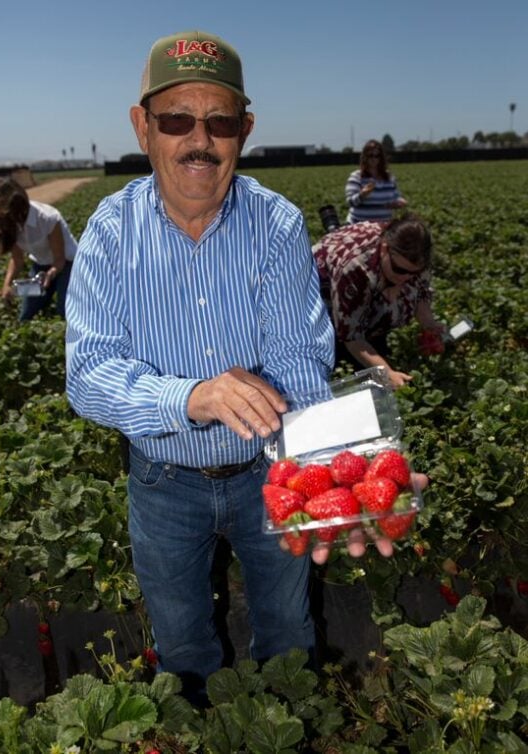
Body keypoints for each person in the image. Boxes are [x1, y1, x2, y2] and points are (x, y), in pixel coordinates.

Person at [65, 29, 426, 705]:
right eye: (176, 119)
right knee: (181, 643)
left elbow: (298, 357)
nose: (199, 141)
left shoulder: (278, 224)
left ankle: (281, 727)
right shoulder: (109, 236)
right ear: (143, 126)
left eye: (220, 121)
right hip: (163, 482)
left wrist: (341, 464)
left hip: (271, 469)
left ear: (245, 130)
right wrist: (192, 396)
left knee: (289, 630)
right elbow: (88, 373)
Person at [312, 215, 446, 389]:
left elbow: (420, 292)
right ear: (384, 248)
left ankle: (374, 335)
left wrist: (429, 324)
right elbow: (351, 336)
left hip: (371, 272)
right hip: (320, 286)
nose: (406, 278)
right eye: (400, 270)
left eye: (414, 273)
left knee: (396, 302)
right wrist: (387, 373)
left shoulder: (418, 256)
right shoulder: (355, 267)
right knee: (342, 340)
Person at [0, 177, 77, 320]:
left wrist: (50, 274)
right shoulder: (7, 223)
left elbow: (59, 259)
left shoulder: (47, 218)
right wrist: (7, 285)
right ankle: (46, 294)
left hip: (67, 264)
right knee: (26, 315)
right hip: (40, 266)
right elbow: (17, 259)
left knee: (65, 313)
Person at [345, 140, 407, 224]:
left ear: (381, 158)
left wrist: (399, 202)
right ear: (364, 157)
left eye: (377, 156)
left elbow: (395, 197)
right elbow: (350, 202)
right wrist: (362, 194)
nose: (373, 158)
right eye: (370, 155)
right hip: (359, 226)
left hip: (384, 226)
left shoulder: (389, 177)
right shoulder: (356, 177)